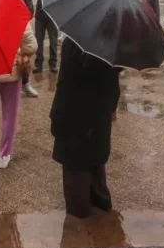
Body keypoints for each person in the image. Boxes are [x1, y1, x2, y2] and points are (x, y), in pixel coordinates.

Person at [50, 39, 121, 219]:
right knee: (96, 160)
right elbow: (114, 80)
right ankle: (100, 202)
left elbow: (64, 84)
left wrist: (56, 115)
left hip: (74, 113)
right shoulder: (113, 42)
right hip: (99, 112)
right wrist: (112, 105)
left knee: (75, 166)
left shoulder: (73, 42)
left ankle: (80, 213)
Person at [0, 21, 37, 168]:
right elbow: (31, 45)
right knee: (9, 115)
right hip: (13, 73)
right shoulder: (17, 16)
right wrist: (20, 51)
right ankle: (5, 153)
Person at [33, 0, 59, 74]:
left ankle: (53, 64)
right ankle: (38, 64)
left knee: (53, 41)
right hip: (40, 15)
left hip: (52, 15)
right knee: (38, 41)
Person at [18, 0, 38, 98]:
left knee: (24, 60)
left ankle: (25, 83)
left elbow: (30, 12)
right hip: (5, 28)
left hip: (21, 29)